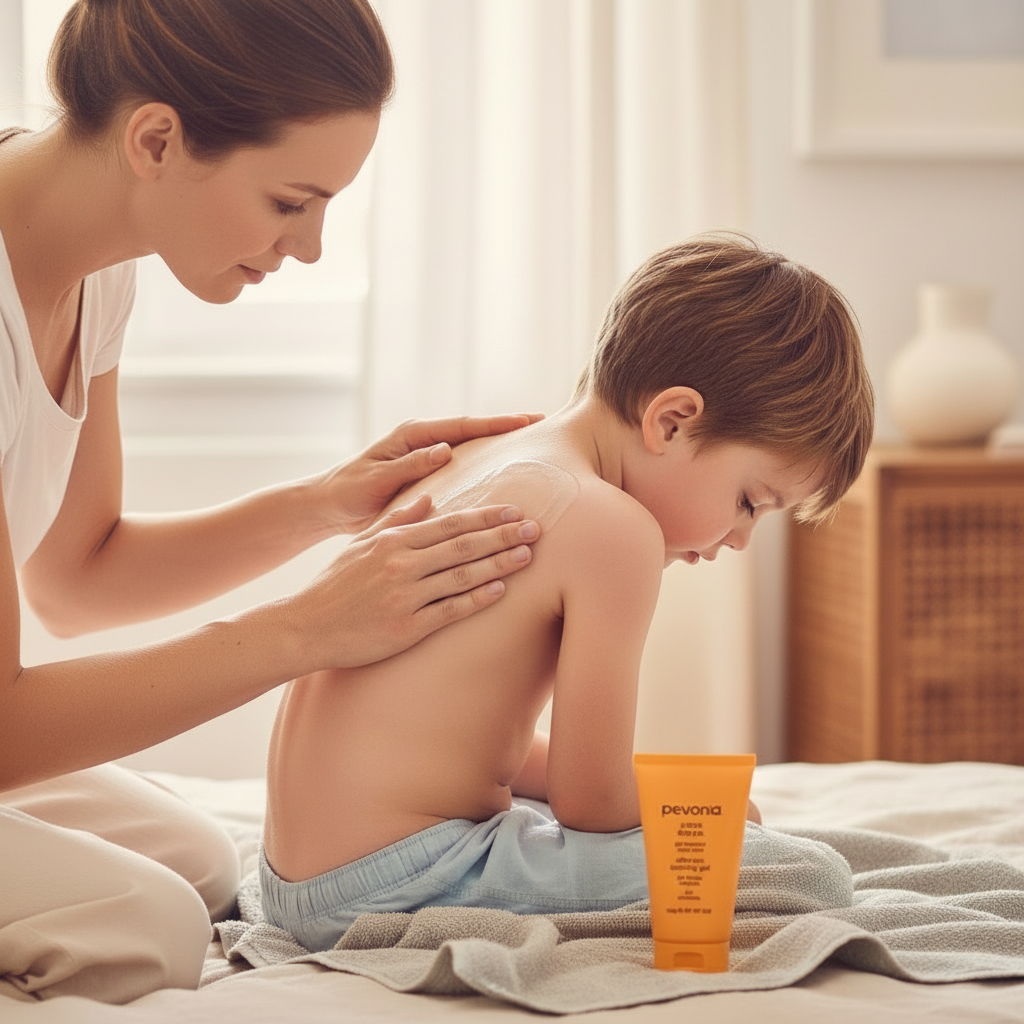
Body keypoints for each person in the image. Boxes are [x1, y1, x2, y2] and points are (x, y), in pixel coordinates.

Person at [0, 0, 544, 1005]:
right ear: (156, 139)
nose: (311, 246)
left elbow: (80, 576)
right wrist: (307, 629)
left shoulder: (96, 275)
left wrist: (329, 504)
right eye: (292, 200)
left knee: (197, 858)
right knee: (145, 919)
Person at [261, 233, 875, 952]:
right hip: (396, 882)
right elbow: (594, 803)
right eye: (750, 500)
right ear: (671, 421)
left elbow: (472, 744)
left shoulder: (480, 456)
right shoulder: (612, 531)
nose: (740, 540)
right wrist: (709, 816)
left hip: (295, 880)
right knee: (807, 873)